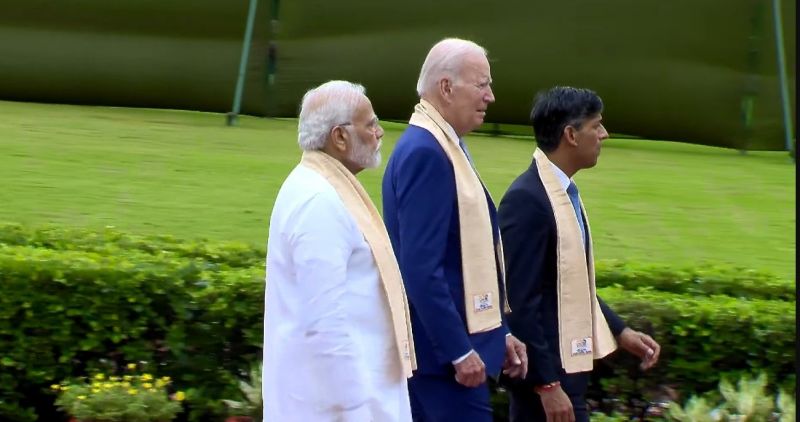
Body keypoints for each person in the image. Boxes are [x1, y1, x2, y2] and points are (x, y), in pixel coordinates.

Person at [381, 38, 528, 421]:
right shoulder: (427, 152)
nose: (490, 96)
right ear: (446, 88)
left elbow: (458, 256)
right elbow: (420, 268)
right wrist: (458, 351)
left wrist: (499, 332)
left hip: (453, 353)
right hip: (444, 363)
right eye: (482, 84)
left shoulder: (441, 143)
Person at [498, 86, 662, 422]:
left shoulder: (562, 191)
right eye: (596, 126)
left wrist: (620, 331)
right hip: (547, 384)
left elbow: (568, 280)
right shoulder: (528, 200)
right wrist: (546, 384)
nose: (604, 134)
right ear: (571, 135)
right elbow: (519, 301)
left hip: (565, 375)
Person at [262, 80, 416, 421]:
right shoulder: (318, 199)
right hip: (337, 407)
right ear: (340, 137)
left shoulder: (324, 187)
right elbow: (324, 319)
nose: (379, 133)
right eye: (370, 124)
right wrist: (355, 407)